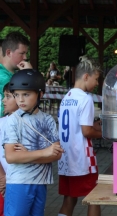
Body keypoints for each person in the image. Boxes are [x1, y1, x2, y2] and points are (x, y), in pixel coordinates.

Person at [3, 69, 63, 216]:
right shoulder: (13, 120)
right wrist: (44, 152)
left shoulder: (48, 119)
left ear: (40, 94)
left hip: (41, 182)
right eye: (16, 95)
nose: (20, 100)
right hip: (18, 183)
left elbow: (56, 154)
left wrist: (27, 155)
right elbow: (11, 157)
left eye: (26, 94)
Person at [58, 56, 103, 216]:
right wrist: (104, 133)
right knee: (94, 197)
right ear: (86, 76)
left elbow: (76, 127)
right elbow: (86, 132)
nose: (97, 84)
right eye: (96, 79)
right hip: (82, 159)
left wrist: (93, 126)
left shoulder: (67, 97)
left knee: (69, 198)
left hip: (65, 158)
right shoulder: (86, 98)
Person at [0, 82, 21, 215]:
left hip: (18, 180)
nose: (3, 100)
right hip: (3, 180)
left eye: (8, 96)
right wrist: (2, 177)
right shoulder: (1, 122)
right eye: (4, 96)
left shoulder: (26, 124)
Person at [0, 32, 32, 116]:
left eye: (26, 53)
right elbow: (28, 104)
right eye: (22, 53)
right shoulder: (3, 78)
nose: (25, 57)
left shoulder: (14, 75)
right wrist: (29, 75)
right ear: (8, 53)